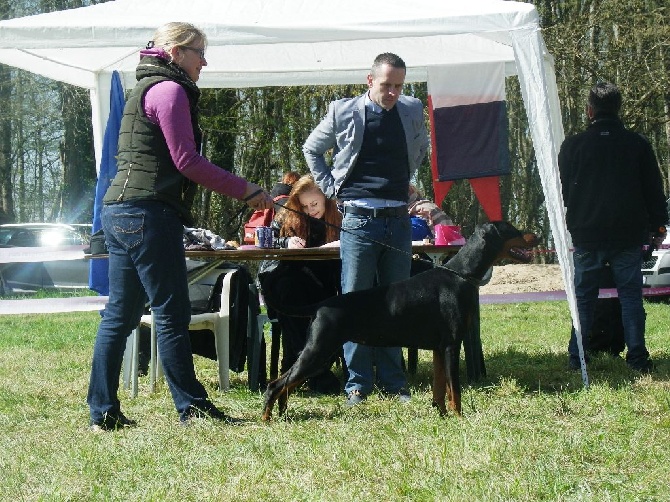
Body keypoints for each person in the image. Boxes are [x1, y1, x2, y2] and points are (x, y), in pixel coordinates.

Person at [87, 22, 273, 431]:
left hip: (118, 210)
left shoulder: (143, 89)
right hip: (148, 213)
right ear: (175, 52)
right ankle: (193, 407)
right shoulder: (169, 91)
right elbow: (187, 161)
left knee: (119, 315)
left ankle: (102, 412)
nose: (204, 60)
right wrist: (246, 190)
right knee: (170, 314)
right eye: (199, 52)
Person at [303, 52, 430, 405]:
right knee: (354, 302)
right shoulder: (342, 110)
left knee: (396, 303)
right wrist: (330, 190)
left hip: (398, 219)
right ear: (369, 80)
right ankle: (357, 383)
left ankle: (394, 382)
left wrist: (405, 180)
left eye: (399, 86)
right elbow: (312, 149)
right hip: (358, 218)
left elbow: (420, 147)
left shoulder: (411, 108)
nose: (393, 92)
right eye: (386, 84)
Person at [558, 81, 668, 373]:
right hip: (628, 234)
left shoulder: (573, 146)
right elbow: (653, 191)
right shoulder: (638, 144)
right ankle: (637, 358)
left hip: (586, 234)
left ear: (589, 110)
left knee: (583, 299)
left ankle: (577, 356)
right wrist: (658, 226)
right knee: (631, 297)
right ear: (619, 108)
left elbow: (565, 193)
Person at [258, 174, 342, 395]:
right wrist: (287, 241)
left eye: (314, 204)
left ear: (326, 198)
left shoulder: (339, 215)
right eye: (304, 206)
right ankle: (317, 372)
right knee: (290, 291)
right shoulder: (287, 214)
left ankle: (298, 367)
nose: (310, 210)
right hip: (286, 278)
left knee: (321, 302)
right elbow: (266, 239)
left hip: (323, 284)